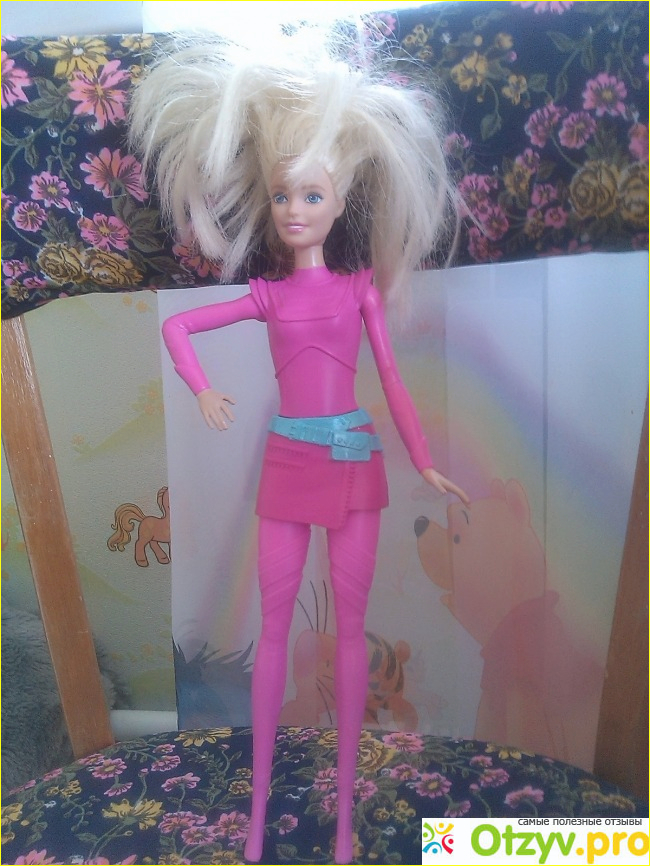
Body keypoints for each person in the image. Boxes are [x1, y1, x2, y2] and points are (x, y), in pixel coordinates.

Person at [129, 28, 469, 864]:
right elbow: (179, 329)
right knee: (274, 628)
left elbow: (391, 379)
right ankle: (256, 815)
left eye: (310, 195)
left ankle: (345, 818)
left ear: (340, 199)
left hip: (352, 460)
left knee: (350, 631)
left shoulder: (358, 291)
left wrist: (425, 459)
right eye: (283, 196)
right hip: (289, 461)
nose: (293, 211)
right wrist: (201, 388)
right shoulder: (267, 295)